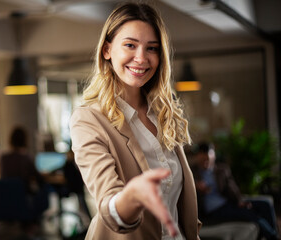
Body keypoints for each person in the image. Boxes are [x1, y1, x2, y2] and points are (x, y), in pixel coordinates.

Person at [69, 3, 200, 239]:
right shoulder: (88, 119)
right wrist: (132, 196)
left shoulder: (163, 114)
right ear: (107, 50)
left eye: (152, 48)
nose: (141, 58)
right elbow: (108, 203)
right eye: (130, 45)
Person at [192, 142, 279, 240]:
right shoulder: (193, 172)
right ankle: (273, 237)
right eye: (203, 159)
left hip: (228, 202)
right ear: (197, 157)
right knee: (250, 214)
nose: (206, 161)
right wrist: (195, 186)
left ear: (214, 156)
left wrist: (239, 201)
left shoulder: (221, 170)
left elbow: (232, 187)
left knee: (265, 204)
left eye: (208, 158)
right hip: (214, 209)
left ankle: (274, 234)